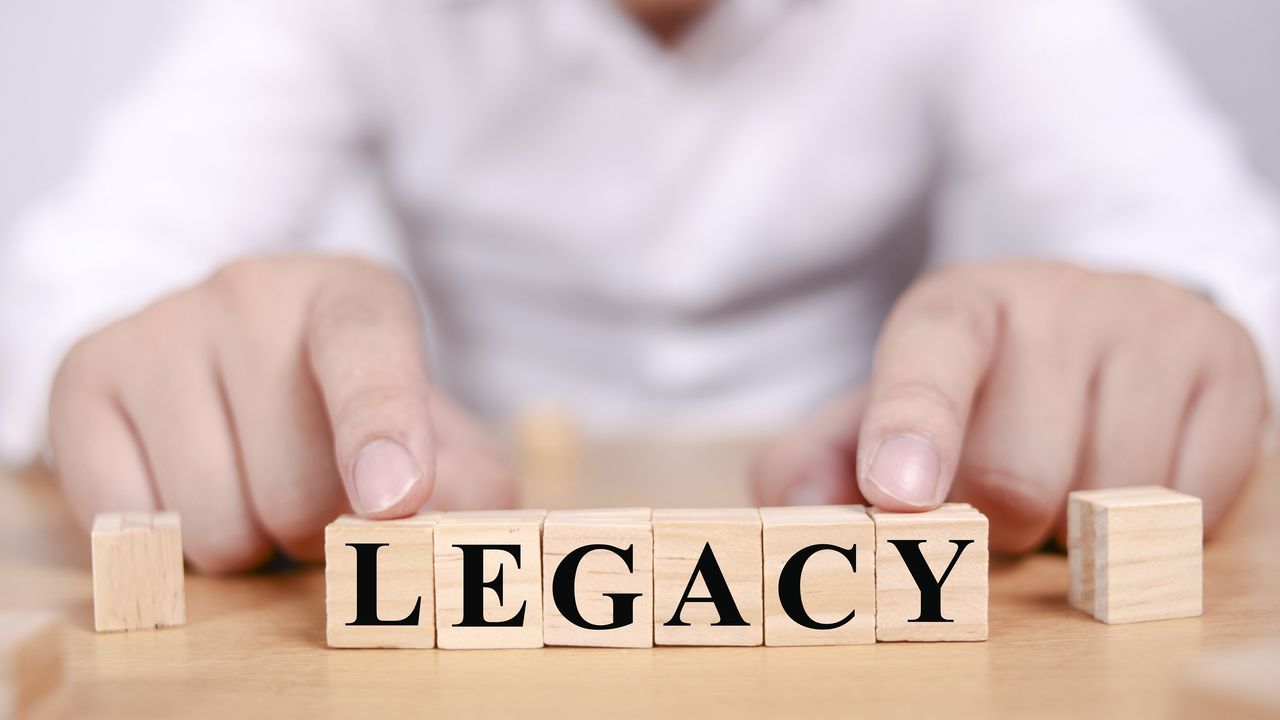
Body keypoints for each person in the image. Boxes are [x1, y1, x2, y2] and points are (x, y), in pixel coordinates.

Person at [1, 0, 1276, 573]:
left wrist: (1187, 315)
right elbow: (80, 271)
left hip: (864, 529)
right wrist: (111, 359)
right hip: (477, 524)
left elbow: (1214, 237)